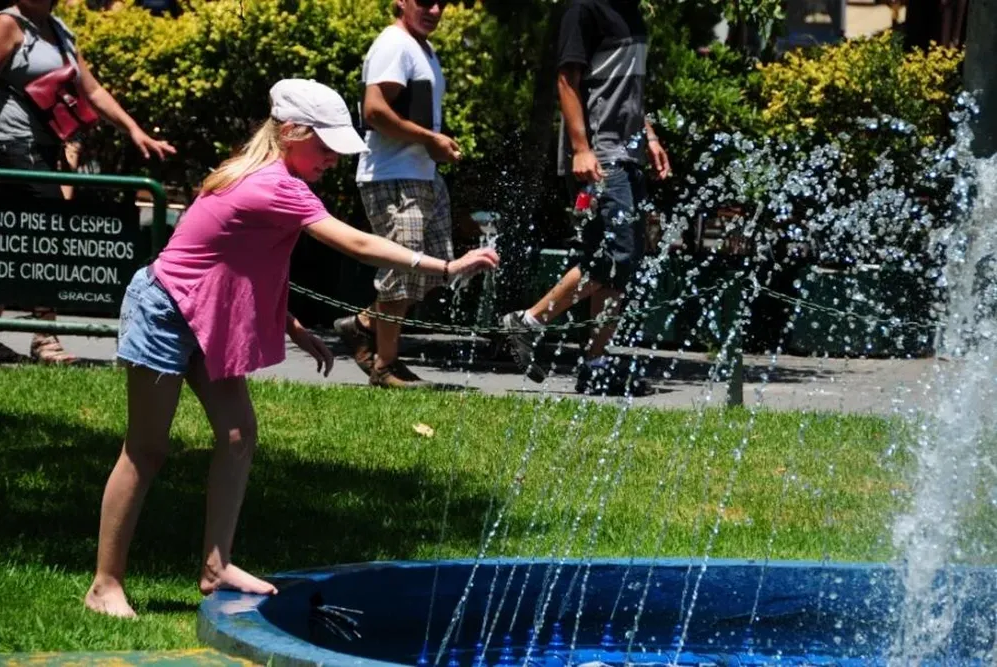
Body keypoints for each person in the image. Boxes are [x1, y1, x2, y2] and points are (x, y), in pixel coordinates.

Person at [83, 79, 499, 618]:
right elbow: (355, 242)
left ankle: (216, 566)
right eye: (324, 146)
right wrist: (443, 266)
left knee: (236, 436)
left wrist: (290, 323)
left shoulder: (261, 175)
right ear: (290, 133)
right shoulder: (277, 186)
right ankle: (104, 584)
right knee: (146, 449)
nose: (331, 159)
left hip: (205, 313)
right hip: (165, 312)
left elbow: (238, 263)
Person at [498, 0, 670, 397]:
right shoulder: (584, 9)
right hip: (599, 155)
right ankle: (529, 321)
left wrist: (651, 137)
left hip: (627, 153)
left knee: (618, 265)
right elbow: (567, 81)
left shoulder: (632, 14)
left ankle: (596, 364)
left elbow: (628, 90)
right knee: (615, 256)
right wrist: (580, 148)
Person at [0, 0, 175, 364]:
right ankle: (46, 339)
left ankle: (42, 336)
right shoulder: (7, 25)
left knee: (25, 240)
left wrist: (135, 131)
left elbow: (92, 91)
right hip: (9, 147)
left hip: (43, 148)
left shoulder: (60, 31)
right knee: (38, 238)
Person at [332, 0, 462, 389]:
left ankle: (363, 324)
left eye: (441, 3)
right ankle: (385, 366)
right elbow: (374, 111)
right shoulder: (394, 44)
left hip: (421, 175)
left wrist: (435, 146)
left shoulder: (422, 47)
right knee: (402, 269)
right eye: (424, 2)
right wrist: (431, 140)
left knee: (435, 268)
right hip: (391, 177)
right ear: (401, 2)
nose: (434, 9)